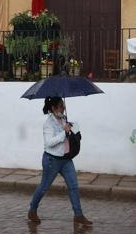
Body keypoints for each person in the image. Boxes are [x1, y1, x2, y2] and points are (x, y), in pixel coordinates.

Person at [28, 97, 92, 226]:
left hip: (66, 159)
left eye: (63, 106)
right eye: (61, 106)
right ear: (53, 108)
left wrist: (74, 130)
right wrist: (64, 132)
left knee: (73, 186)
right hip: (52, 160)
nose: (64, 108)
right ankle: (32, 210)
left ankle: (78, 215)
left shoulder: (63, 119)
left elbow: (68, 134)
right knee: (44, 187)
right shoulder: (48, 124)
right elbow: (49, 143)